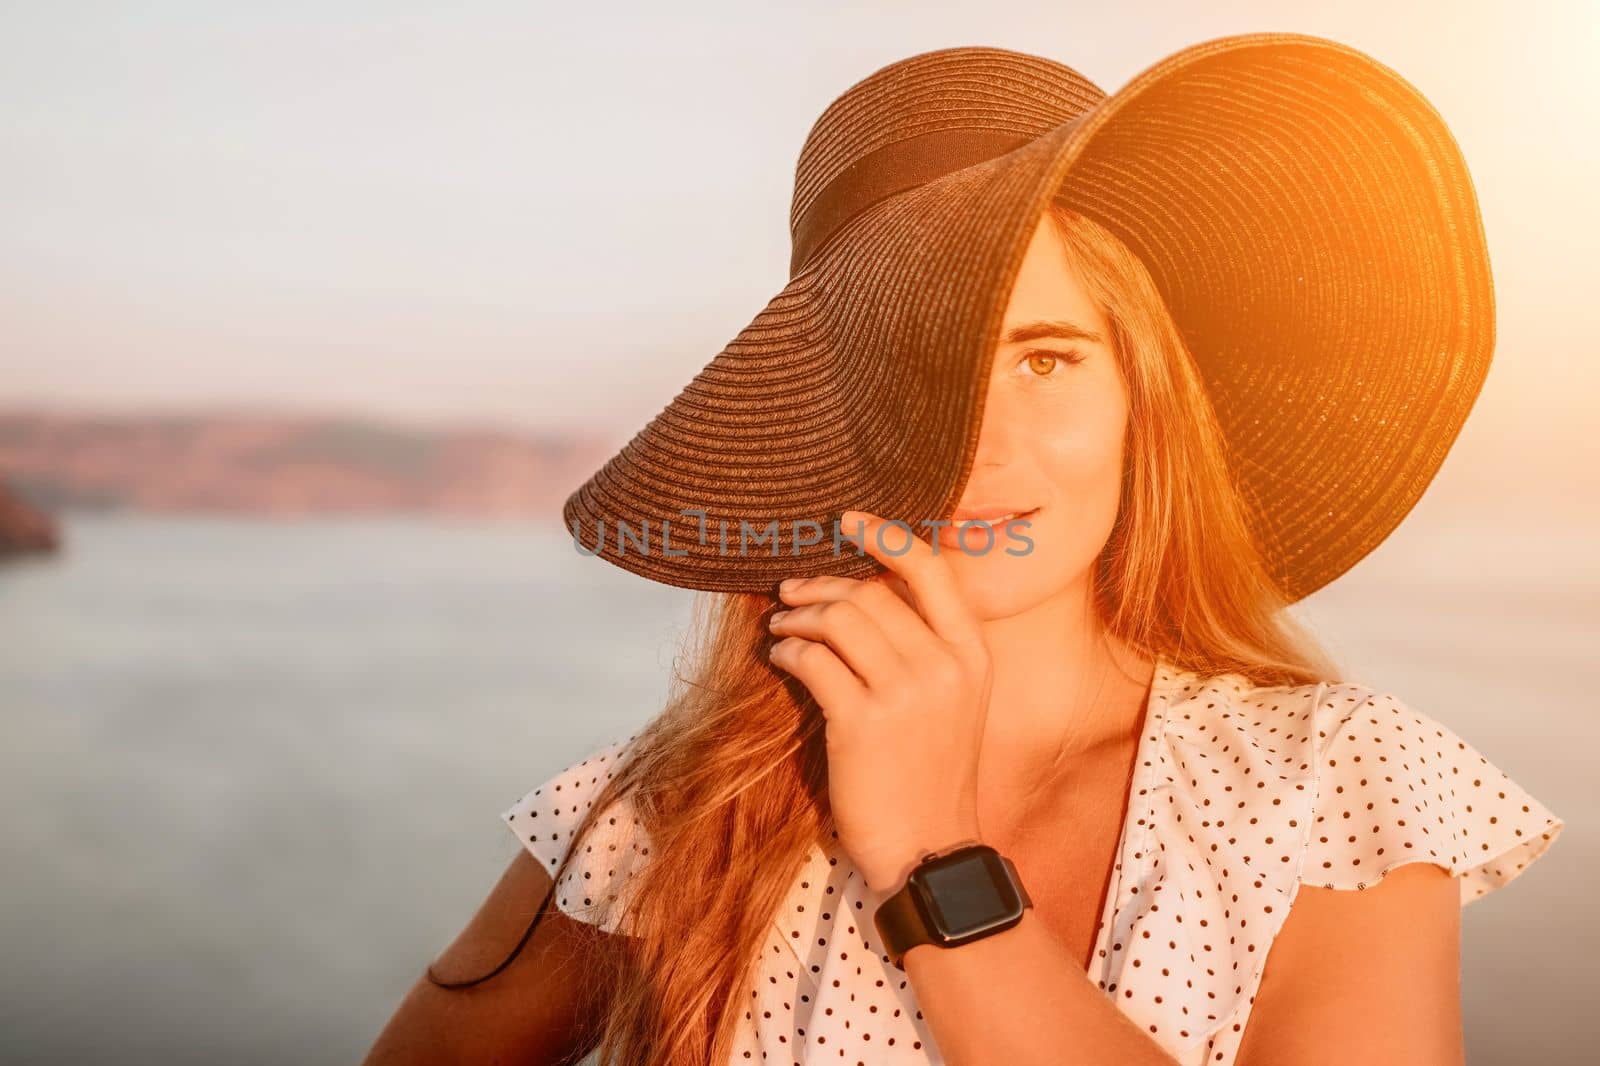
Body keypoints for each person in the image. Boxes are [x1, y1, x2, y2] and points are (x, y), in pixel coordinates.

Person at [364, 35, 1564, 1066]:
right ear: (829, 419)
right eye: (913, 370)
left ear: (1139, 401)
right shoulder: (685, 802)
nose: (978, 448)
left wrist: (935, 853)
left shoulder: (1333, 786)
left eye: (1045, 359)